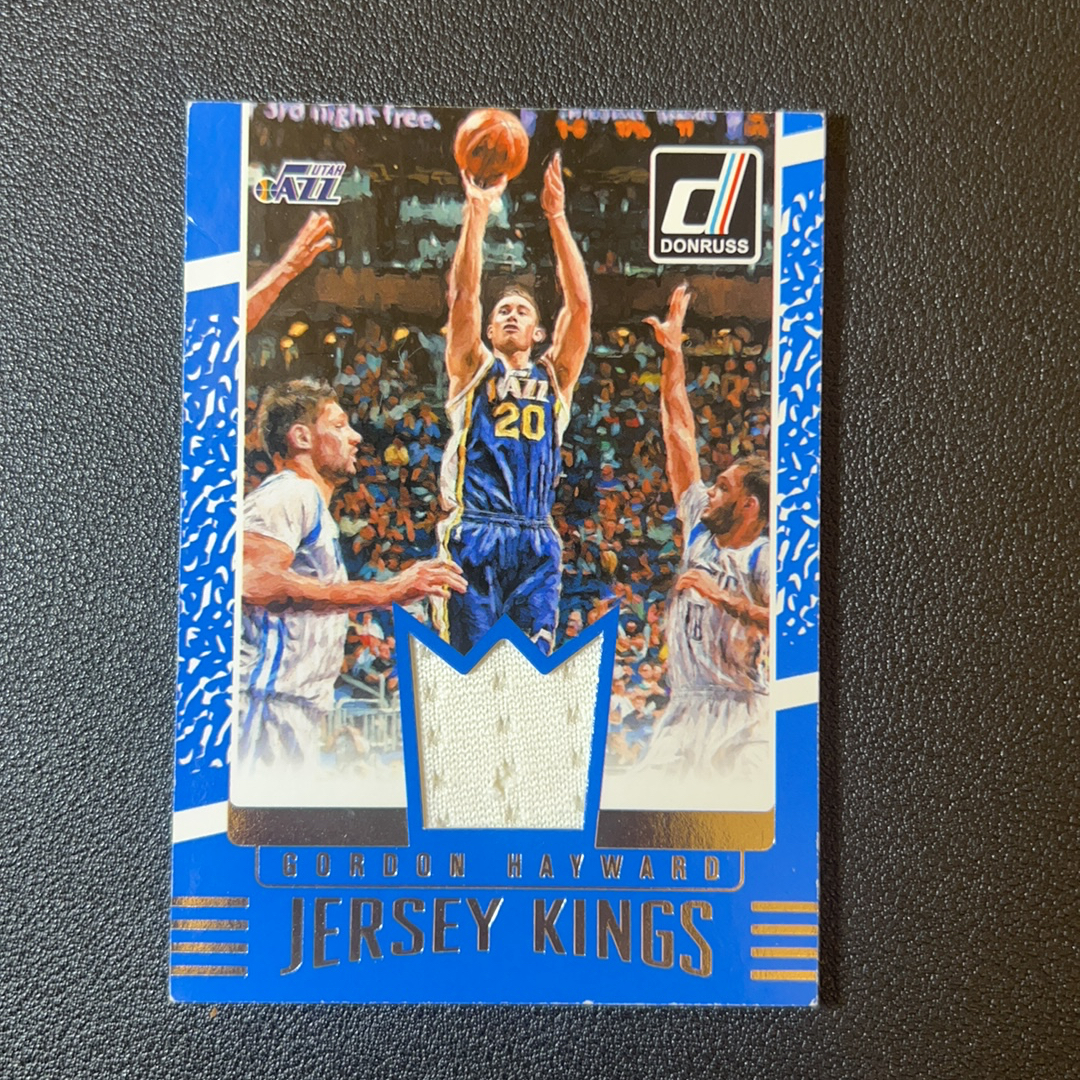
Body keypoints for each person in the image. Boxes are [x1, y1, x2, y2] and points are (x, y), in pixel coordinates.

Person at [237, 377, 466, 777]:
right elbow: (253, 581)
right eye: (339, 425)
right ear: (302, 437)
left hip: (290, 705)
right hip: (268, 701)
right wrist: (388, 592)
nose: (356, 436)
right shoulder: (290, 493)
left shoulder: (308, 505)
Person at [435, 151, 592, 654]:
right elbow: (464, 295)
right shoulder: (472, 369)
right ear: (487, 330)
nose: (509, 315)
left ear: (538, 332)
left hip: (536, 535)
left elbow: (581, 307)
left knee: (532, 670)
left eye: (521, 311)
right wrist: (477, 212)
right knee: (471, 668)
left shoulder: (554, 377)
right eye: (502, 310)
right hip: (476, 531)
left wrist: (557, 217)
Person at [637, 285, 771, 783]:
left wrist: (723, 598)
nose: (709, 492)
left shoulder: (764, 558)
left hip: (745, 712)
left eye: (723, 488)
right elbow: (679, 432)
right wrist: (673, 353)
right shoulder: (699, 527)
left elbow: (790, 628)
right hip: (685, 706)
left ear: (749, 506)